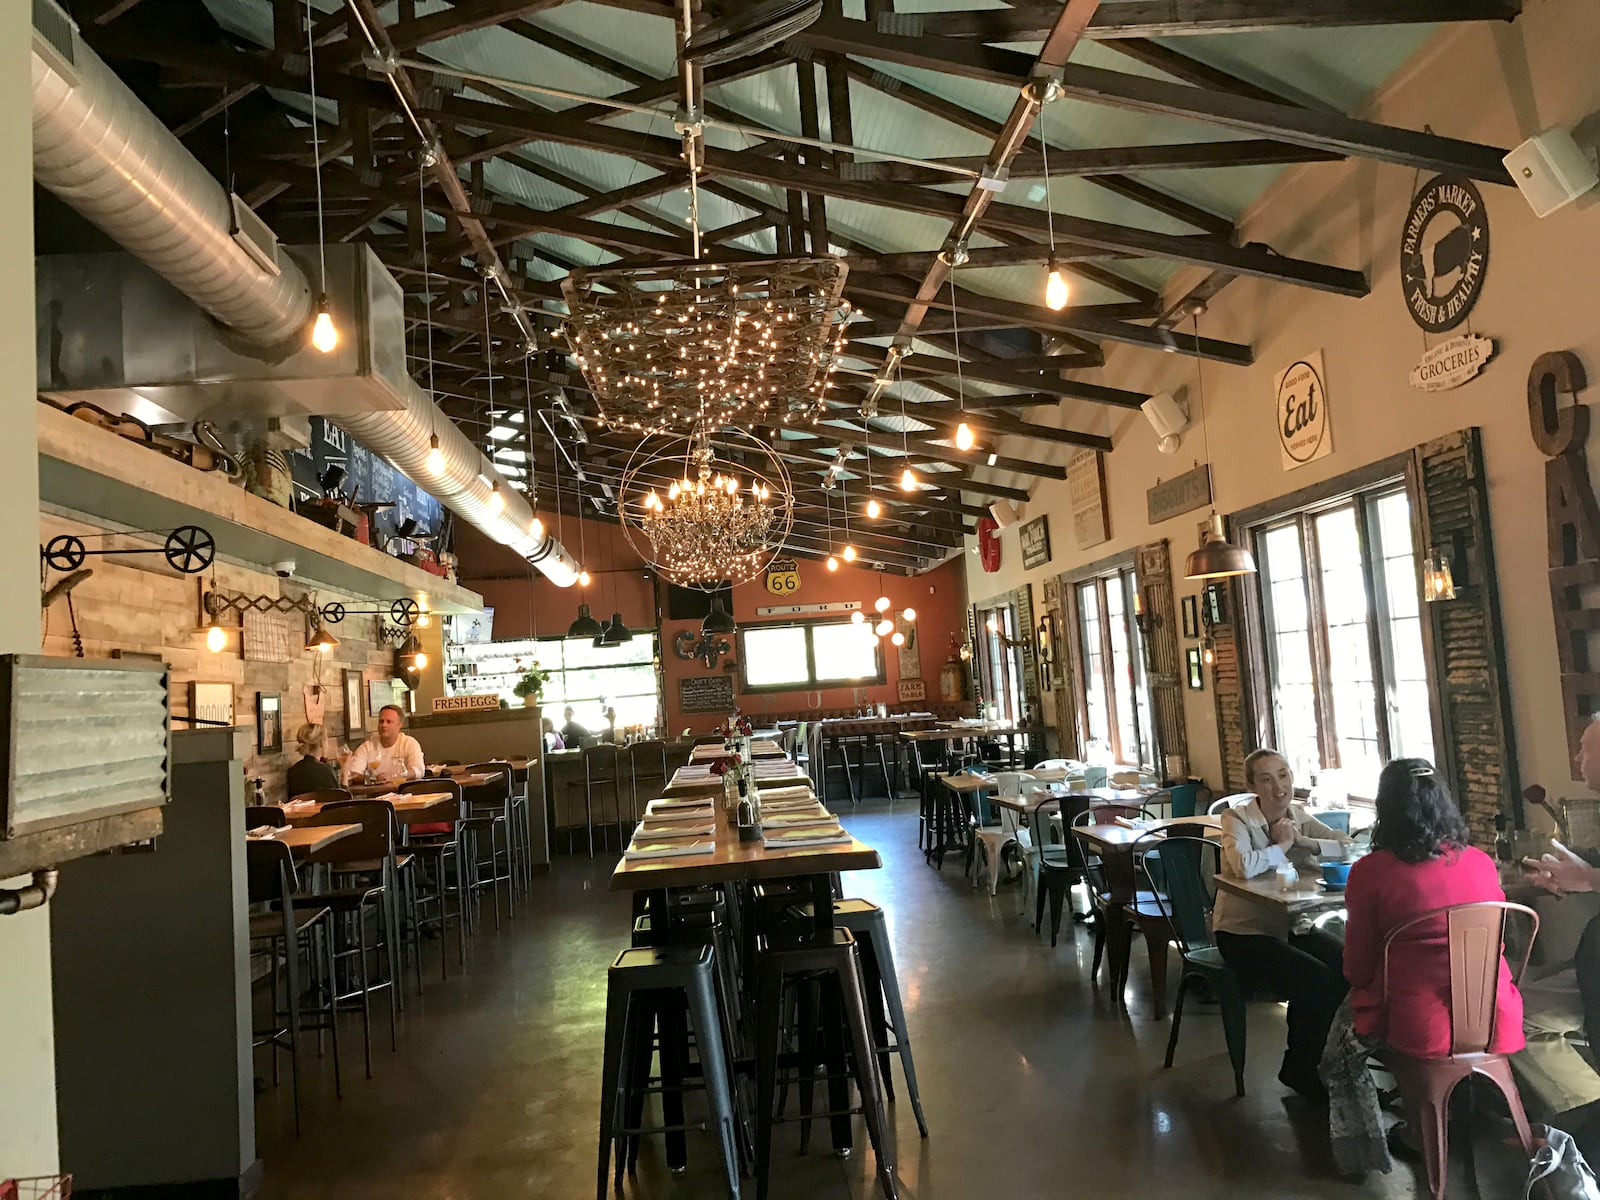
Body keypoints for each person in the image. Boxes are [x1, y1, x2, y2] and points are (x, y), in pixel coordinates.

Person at [1323, 759, 1524, 1173]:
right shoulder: (1480, 862)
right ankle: (1456, 1115)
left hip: (1416, 1024)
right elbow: (1498, 946)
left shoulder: (1369, 873)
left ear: (1385, 809)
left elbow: (1357, 970)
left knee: (1338, 1046)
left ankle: (1369, 1152)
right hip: (1491, 1014)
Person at [1214, 747, 1353, 1099]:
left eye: (1283, 775)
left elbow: (1346, 846)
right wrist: (1284, 845)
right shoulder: (1237, 819)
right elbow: (1242, 866)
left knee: (1350, 967)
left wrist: (1305, 840)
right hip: (1244, 932)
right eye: (1266, 779)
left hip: (1292, 925)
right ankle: (1300, 1069)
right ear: (1252, 786)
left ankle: (1325, 1060)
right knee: (1316, 980)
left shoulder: (1298, 815)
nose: (1278, 787)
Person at [344, 703, 424, 784]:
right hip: (376, 795)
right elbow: (353, 774)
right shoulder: (367, 747)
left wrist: (394, 776)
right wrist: (373, 780)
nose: (384, 725)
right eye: (381, 721)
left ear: (399, 725)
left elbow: (418, 770)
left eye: (389, 722)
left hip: (403, 793)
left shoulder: (409, 743)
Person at [286, 723, 340, 797]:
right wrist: (345, 771)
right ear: (321, 743)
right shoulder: (325, 771)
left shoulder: (294, 771)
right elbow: (342, 801)